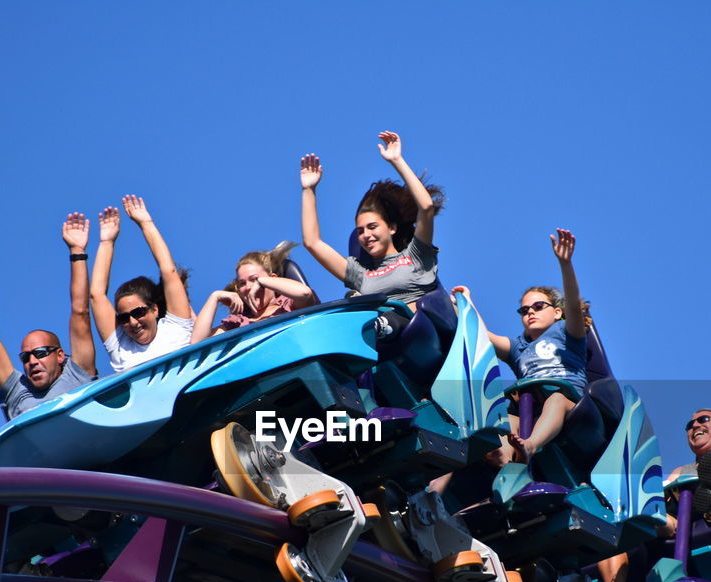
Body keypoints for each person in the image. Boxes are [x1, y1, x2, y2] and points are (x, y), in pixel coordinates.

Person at [454, 229, 588, 462]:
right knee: (501, 423)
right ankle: (508, 468)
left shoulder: (568, 332)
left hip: (566, 399)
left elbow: (574, 307)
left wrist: (565, 264)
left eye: (538, 306)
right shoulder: (518, 347)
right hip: (528, 406)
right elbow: (482, 337)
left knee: (556, 400)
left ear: (557, 312)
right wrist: (464, 304)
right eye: (524, 310)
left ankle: (531, 446)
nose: (530, 313)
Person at [299, 131, 444, 344]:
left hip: (417, 336)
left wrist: (397, 160)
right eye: (360, 231)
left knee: (386, 320)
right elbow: (312, 243)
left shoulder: (415, 256)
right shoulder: (361, 274)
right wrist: (308, 189)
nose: (366, 235)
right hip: (378, 344)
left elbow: (426, 207)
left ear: (392, 228)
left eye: (372, 227)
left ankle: (375, 328)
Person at [0, 213, 97, 421]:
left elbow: (80, 312)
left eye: (41, 353)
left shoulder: (77, 373)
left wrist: (77, 251)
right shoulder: (18, 391)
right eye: (26, 357)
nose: (32, 362)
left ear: (60, 355)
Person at [90, 195, 194, 372]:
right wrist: (107, 242)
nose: (132, 322)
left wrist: (146, 223)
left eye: (138, 312)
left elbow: (168, 270)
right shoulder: (120, 346)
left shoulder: (175, 328)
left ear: (154, 309)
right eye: (123, 318)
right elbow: (96, 295)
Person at [191, 242, 318, 340]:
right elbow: (197, 341)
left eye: (254, 279)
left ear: (273, 279)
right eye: (242, 283)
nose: (248, 287)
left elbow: (305, 293)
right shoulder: (239, 322)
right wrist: (215, 296)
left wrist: (262, 281)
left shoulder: (289, 304)